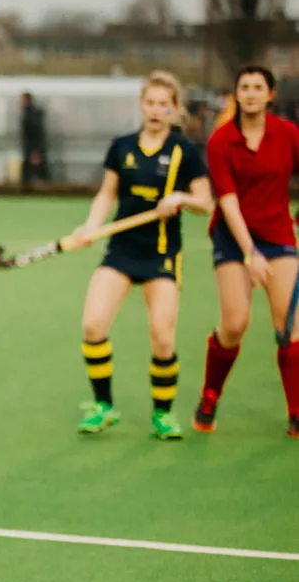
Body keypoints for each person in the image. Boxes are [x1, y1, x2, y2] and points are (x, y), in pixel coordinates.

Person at [68, 71, 212, 439]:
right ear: (141, 104)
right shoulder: (122, 147)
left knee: (162, 338)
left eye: (164, 104)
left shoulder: (184, 151)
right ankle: (103, 406)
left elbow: (205, 202)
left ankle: (162, 414)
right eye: (150, 102)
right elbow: (107, 194)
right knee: (93, 325)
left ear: (174, 108)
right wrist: (91, 226)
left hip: (161, 254)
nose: (156, 110)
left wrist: (181, 198)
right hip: (121, 250)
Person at [193, 65, 299, 438]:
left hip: (278, 234)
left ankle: (296, 413)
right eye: (245, 87)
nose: (251, 93)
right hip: (232, 235)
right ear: (236, 94)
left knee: (289, 326)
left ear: (270, 95)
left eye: (258, 87)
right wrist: (250, 252)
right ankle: (210, 396)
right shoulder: (221, 141)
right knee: (235, 324)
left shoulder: (289, 134)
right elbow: (228, 201)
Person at [20, 91, 49, 187]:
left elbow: (37, 133)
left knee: (38, 170)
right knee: (30, 170)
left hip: (34, 148)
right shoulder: (26, 113)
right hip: (29, 148)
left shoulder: (33, 114)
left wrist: (36, 150)